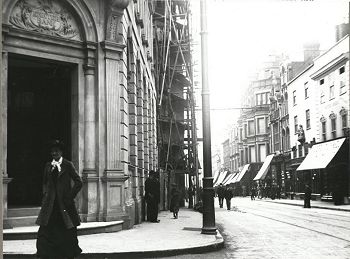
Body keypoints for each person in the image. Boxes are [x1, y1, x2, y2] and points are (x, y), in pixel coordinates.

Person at [36, 140, 83, 259]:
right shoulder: (48, 166)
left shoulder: (68, 165)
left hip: (64, 204)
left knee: (66, 228)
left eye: (56, 151)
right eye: (52, 151)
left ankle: (66, 253)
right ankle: (47, 254)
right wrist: (46, 195)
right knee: (46, 228)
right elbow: (45, 183)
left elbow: (79, 182)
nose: (54, 153)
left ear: (61, 152)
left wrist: (70, 196)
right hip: (50, 204)